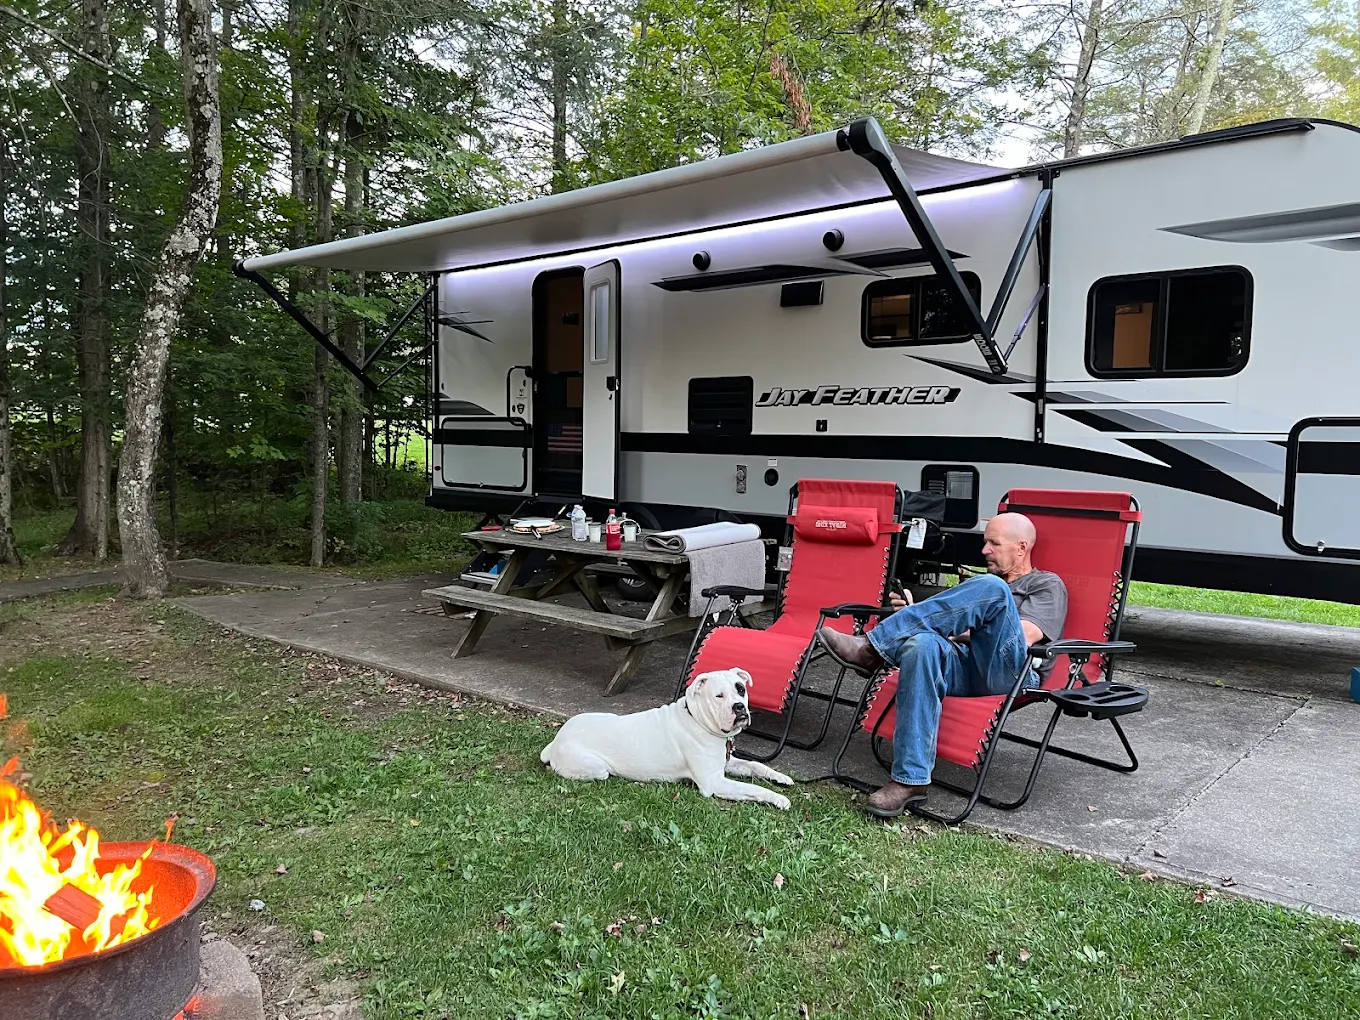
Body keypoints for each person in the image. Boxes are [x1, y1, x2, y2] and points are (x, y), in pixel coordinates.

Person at [817, 512, 1067, 818]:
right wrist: (917, 613)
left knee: (992, 589)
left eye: (993, 543)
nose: (984, 550)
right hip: (966, 665)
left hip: (1012, 672)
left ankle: (872, 649)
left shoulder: (1046, 584)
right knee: (922, 646)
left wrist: (937, 620)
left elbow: (1025, 636)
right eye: (984, 542)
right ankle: (910, 781)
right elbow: (950, 626)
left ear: (1021, 547)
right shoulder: (983, 586)